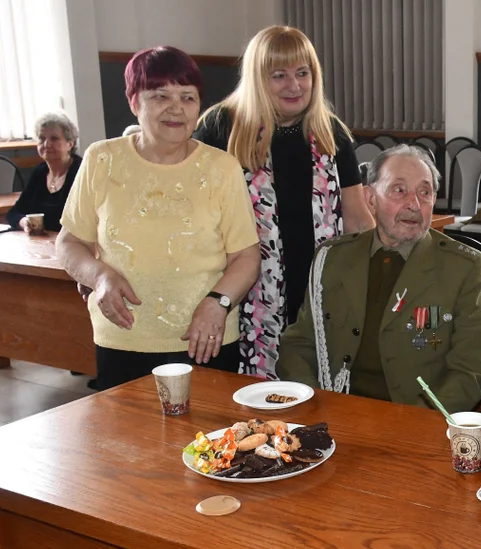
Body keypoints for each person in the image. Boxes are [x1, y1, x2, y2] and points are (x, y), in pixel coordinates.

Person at [56, 47, 260, 391]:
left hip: (206, 340)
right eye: (160, 95)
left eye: (187, 97)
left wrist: (218, 303)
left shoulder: (221, 167)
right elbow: (70, 242)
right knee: (129, 442)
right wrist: (99, 276)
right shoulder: (101, 160)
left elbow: (246, 256)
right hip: (123, 336)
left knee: (210, 441)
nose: (176, 107)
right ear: (134, 101)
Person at [195, 25, 375, 378]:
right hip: (242, 304)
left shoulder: (329, 132)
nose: (294, 86)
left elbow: (358, 222)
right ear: (258, 78)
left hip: (319, 296)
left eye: (302, 73)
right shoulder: (220, 128)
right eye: (279, 75)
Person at [276, 145, 481, 411]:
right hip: (335, 411)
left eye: (424, 192)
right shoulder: (333, 259)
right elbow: (299, 344)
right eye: (399, 190)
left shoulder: (464, 268)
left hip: (415, 420)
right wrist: (314, 405)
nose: (413, 204)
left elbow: (469, 371)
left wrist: (412, 425)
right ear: (370, 199)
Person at [7, 112, 82, 233]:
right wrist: (24, 222)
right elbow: (14, 213)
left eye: (54, 138)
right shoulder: (40, 172)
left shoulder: (82, 172)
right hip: (40, 244)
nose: (47, 144)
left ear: (70, 144)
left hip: (72, 245)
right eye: (42, 139)